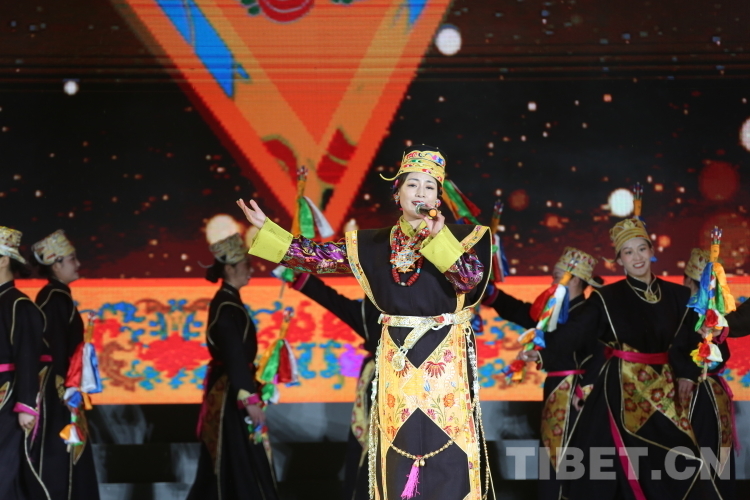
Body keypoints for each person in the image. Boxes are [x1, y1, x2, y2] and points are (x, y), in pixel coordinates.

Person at [237, 145, 494, 500]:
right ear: (397, 194)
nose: (421, 193)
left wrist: (439, 238)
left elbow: (469, 281)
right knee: (400, 447)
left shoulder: (466, 237)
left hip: (444, 357)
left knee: (449, 448)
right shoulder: (372, 244)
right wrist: (270, 231)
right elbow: (320, 258)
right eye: (412, 185)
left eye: (429, 187)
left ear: (438, 198)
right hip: (396, 358)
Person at [544, 217, 721, 499]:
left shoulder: (678, 295)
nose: (636, 257)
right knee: (615, 466)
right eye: (628, 252)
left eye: (641, 249)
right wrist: (540, 350)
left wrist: (688, 373)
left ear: (651, 251)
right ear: (619, 260)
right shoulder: (607, 297)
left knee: (678, 457)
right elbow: (576, 334)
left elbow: (690, 340)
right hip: (621, 387)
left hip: (664, 387)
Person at [483, 246, 602, 500]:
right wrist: (492, 295)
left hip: (578, 393)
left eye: (557, 277)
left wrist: (541, 354)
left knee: (574, 456)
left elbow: (570, 338)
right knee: (552, 454)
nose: (552, 283)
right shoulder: (556, 312)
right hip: (557, 390)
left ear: (575, 280)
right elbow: (523, 312)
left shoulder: (589, 311)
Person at [188, 233, 278, 500]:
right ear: (229, 269)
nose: (251, 270)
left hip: (232, 389)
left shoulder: (229, 302)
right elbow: (235, 357)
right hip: (232, 394)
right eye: (246, 265)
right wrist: (249, 399)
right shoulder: (226, 306)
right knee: (235, 457)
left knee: (237, 456)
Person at [289, 272, 380, 500]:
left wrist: (304, 280)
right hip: (382, 383)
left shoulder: (382, 302)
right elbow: (336, 303)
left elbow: (336, 303)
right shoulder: (378, 305)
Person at [31, 230, 100, 500]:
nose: (78, 264)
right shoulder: (55, 299)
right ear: (56, 264)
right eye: (72, 259)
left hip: (59, 384)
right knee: (60, 450)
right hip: (59, 387)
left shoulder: (55, 296)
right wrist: (68, 388)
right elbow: (58, 351)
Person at [0, 226, 47, 500]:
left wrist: (26, 404)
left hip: (8, 396)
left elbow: (28, 355)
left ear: (3, 260)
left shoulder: (19, 304)